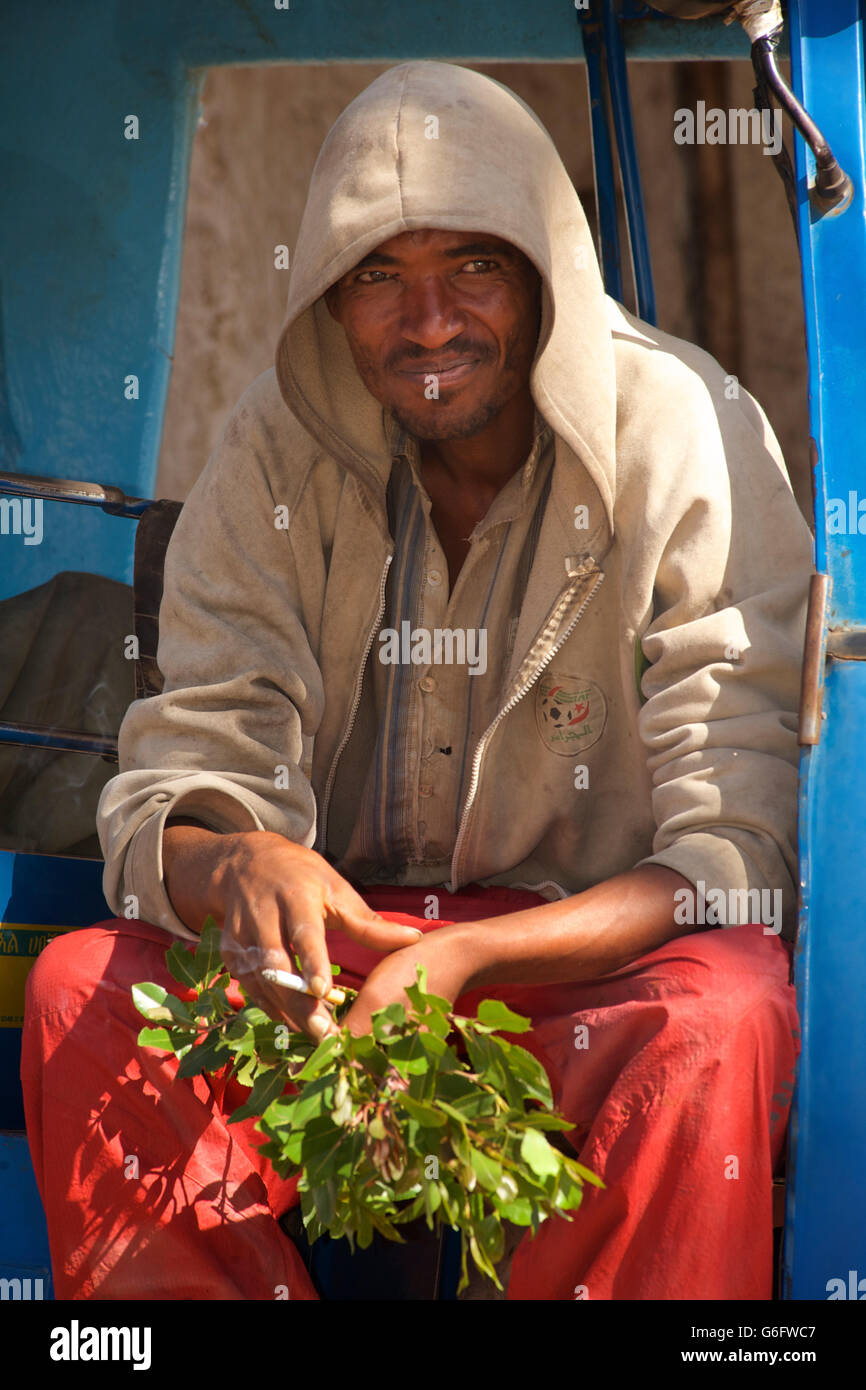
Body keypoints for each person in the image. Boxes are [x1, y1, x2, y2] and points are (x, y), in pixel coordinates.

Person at [21, 59, 811, 1300]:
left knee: (720, 1016)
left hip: (581, 971)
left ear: (544, 270)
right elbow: (188, 762)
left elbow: (738, 852)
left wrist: (471, 966)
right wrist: (236, 861)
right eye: (379, 276)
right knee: (81, 991)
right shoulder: (274, 445)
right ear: (331, 300)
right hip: (317, 984)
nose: (428, 321)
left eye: (473, 266)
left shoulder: (683, 428)